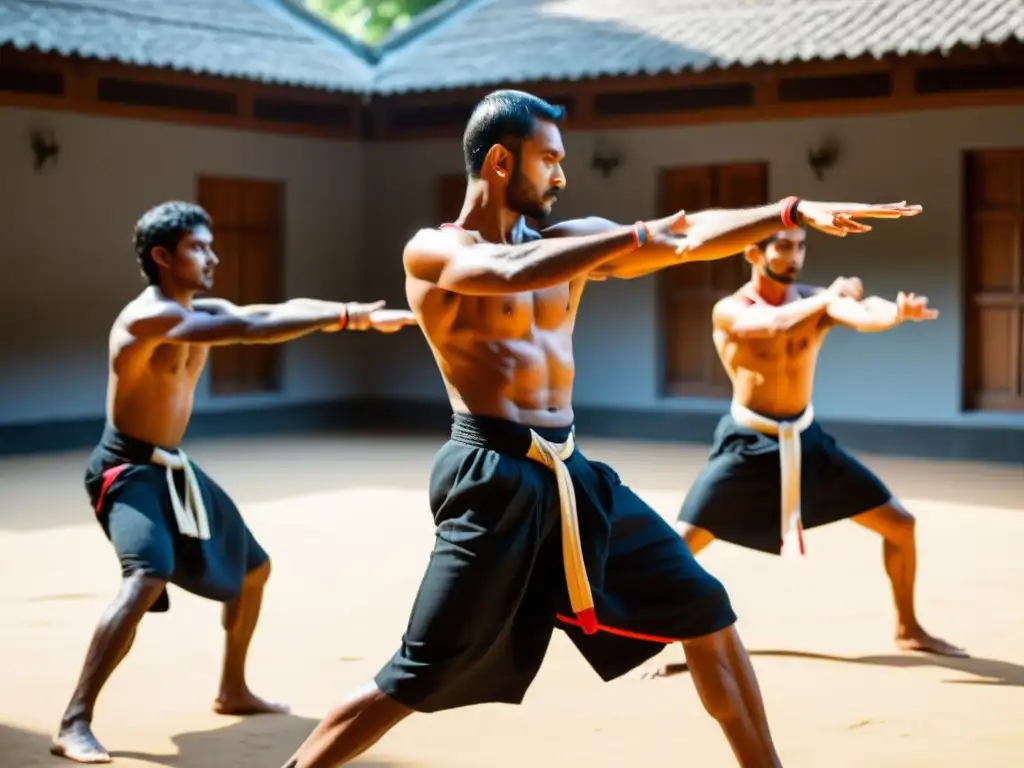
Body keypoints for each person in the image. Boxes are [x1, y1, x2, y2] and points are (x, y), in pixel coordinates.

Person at [280, 89, 923, 768]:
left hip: (572, 472)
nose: (561, 176)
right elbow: (505, 271)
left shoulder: (571, 240)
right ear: (501, 162)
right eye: (549, 160)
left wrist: (788, 210)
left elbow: (687, 238)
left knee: (707, 610)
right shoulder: (435, 251)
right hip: (492, 477)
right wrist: (633, 236)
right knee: (418, 672)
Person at [51, 201, 417, 764]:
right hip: (125, 470)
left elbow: (267, 311)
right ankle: (74, 721)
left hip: (170, 465)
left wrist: (360, 316)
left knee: (254, 569)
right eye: (199, 247)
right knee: (146, 573)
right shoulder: (148, 318)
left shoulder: (198, 310)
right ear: (162, 256)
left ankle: (233, 689)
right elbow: (248, 328)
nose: (212, 256)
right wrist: (348, 316)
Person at [644, 227, 963, 682]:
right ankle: (653, 638)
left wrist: (893, 312)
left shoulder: (817, 298)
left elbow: (860, 311)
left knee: (900, 525)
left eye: (801, 246)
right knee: (679, 545)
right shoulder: (731, 310)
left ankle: (908, 627)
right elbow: (775, 324)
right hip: (747, 443)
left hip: (806, 440)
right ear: (754, 253)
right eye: (784, 246)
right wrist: (830, 297)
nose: (795, 255)